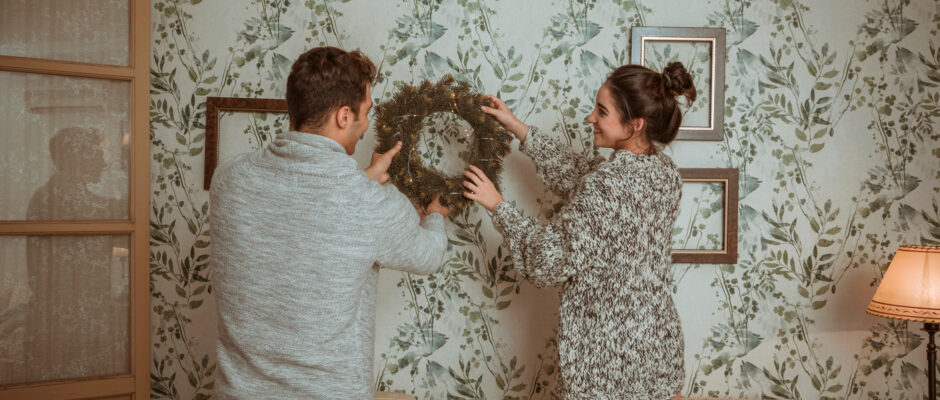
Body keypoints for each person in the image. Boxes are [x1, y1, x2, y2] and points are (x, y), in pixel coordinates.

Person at [210, 47, 450, 399]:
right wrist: (436, 216)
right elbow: (428, 255)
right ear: (343, 115)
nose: (366, 124)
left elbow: (299, 211)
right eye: (365, 113)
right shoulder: (368, 203)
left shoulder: (228, 179)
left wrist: (365, 179)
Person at [463, 62, 696, 399]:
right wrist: (518, 128)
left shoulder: (608, 186)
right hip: (659, 353)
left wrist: (497, 205)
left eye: (601, 111)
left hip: (610, 367)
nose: (590, 118)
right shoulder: (664, 172)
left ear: (635, 125)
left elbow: (546, 262)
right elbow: (581, 177)